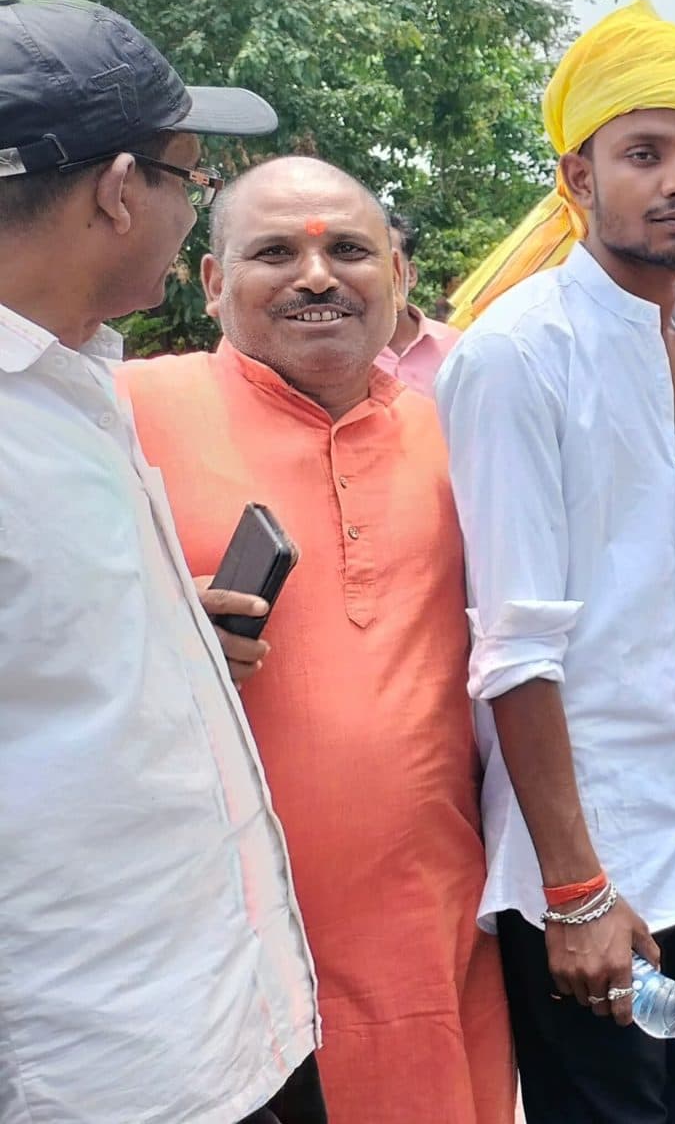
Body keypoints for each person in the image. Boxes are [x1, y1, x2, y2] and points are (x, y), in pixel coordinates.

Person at [436, 1, 675, 1122]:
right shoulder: (518, 355)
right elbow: (513, 645)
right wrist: (575, 889)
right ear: (576, 175)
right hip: (595, 875)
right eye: (642, 154)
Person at [119, 157, 511, 1124]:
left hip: (434, 927)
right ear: (212, 285)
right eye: (274, 253)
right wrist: (152, 630)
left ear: (400, 277)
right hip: (219, 952)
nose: (318, 276)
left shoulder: (457, 433)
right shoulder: (127, 412)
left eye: (347, 249)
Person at [0, 0, 320, 1124]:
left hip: (220, 1028)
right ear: (120, 189)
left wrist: (152, 623)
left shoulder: (71, 380)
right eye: (192, 178)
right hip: (94, 1068)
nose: (191, 211)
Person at [377, 209, 463, 394]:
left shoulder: (458, 347)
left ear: (412, 275)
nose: (377, 274)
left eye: (389, 262)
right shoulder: (337, 359)